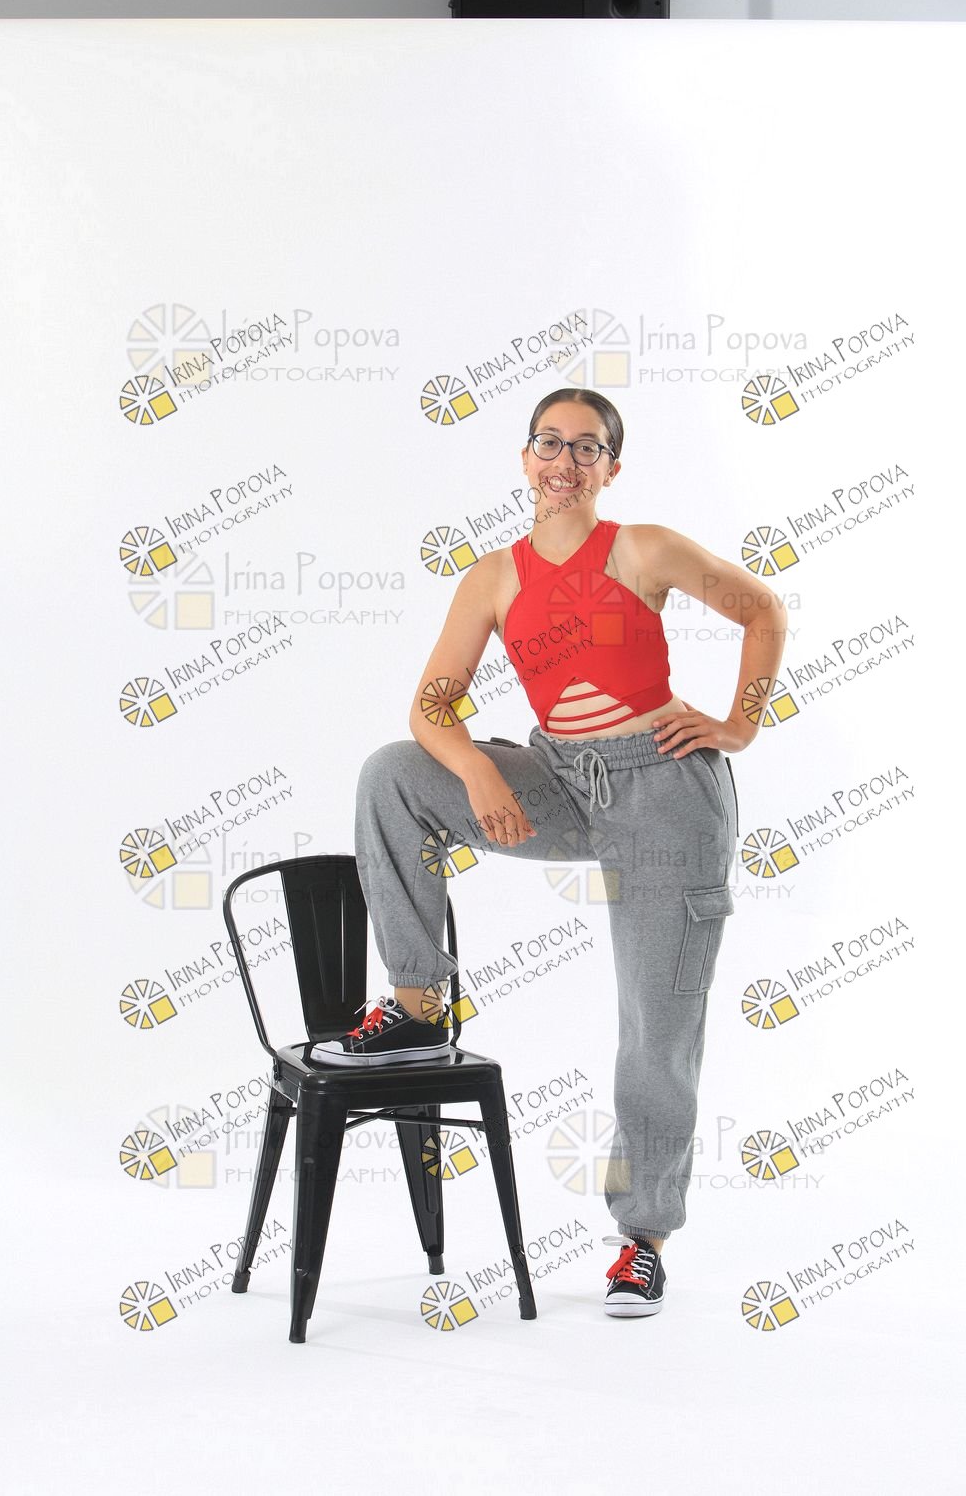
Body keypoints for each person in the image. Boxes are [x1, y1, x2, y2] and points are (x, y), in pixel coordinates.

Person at [311, 387, 787, 1318]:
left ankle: (642, 1239)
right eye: (549, 443)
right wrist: (478, 772)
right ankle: (418, 1003)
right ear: (525, 458)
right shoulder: (493, 577)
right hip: (560, 782)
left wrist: (738, 726)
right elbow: (431, 707)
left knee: (655, 1028)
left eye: (586, 447)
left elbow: (763, 610)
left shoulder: (642, 548)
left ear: (611, 466)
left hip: (665, 793)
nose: (564, 461)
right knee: (392, 774)